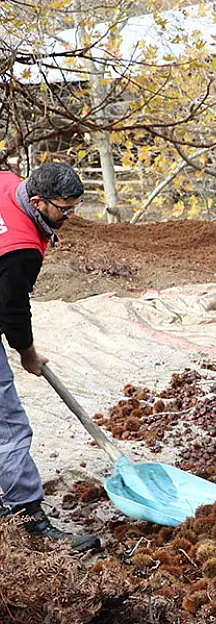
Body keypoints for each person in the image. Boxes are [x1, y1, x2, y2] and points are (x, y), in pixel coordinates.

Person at [0, 162, 99, 552]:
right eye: (65, 210)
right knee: (8, 423)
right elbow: (11, 309)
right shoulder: (21, 247)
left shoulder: (8, 182)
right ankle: (25, 516)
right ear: (38, 201)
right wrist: (28, 353)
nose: (70, 217)